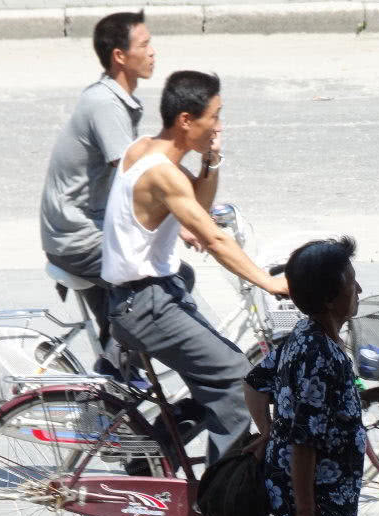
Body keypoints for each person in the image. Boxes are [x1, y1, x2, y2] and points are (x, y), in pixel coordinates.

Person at [101, 70, 288, 464]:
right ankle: (220, 491)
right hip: (148, 305)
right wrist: (269, 283)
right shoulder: (161, 172)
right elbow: (214, 238)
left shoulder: (144, 149)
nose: (219, 126)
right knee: (237, 379)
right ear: (186, 120)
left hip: (148, 297)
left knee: (216, 378)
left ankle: (150, 458)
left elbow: (197, 205)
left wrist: (211, 161)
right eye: (214, 117)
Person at [242, 238, 365, 516]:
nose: (358, 289)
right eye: (351, 281)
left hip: (326, 492)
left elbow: (254, 383)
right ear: (329, 298)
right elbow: (304, 442)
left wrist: (269, 432)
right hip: (314, 494)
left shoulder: (305, 334)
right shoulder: (320, 356)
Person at [39, 10, 155, 364]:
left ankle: (115, 381)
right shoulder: (106, 104)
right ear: (120, 55)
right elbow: (133, 176)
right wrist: (184, 218)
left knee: (120, 322)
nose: (153, 52)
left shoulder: (112, 98)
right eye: (144, 45)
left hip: (83, 230)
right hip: (78, 238)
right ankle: (112, 378)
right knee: (164, 285)